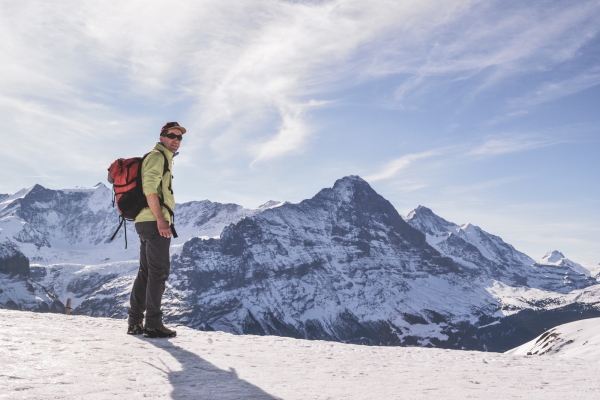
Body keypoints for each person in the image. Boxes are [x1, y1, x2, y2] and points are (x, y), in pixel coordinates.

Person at [126, 121, 186, 338]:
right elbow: (150, 188)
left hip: (146, 221)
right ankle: (152, 323)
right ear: (162, 137)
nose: (176, 141)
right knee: (158, 273)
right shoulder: (157, 157)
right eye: (172, 136)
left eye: (180, 138)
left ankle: (135, 323)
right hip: (153, 222)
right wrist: (161, 219)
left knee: (146, 272)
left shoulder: (163, 158)